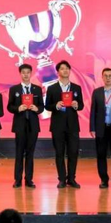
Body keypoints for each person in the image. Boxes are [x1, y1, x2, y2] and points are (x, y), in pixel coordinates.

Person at [45, 60, 84, 189]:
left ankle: (71, 179)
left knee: (73, 152)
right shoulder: (52, 88)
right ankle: (62, 179)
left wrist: (77, 105)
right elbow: (47, 106)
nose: (65, 70)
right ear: (58, 72)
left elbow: (81, 105)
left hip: (73, 126)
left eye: (67, 68)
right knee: (59, 153)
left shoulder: (76, 88)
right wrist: (55, 105)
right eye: (62, 68)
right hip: (57, 126)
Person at [7, 64, 44, 188]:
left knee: (30, 153)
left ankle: (29, 179)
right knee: (19, 152)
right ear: (20, 74)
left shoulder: (37, 89)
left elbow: (42, 106)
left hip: (33, 125)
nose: (26, 75)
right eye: (23, 72)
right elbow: (9, 106)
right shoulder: (14, 89)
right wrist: (18, 108)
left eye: (28, 72)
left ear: (31, 73)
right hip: (20, 125)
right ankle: (17, 179)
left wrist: (37, 109)